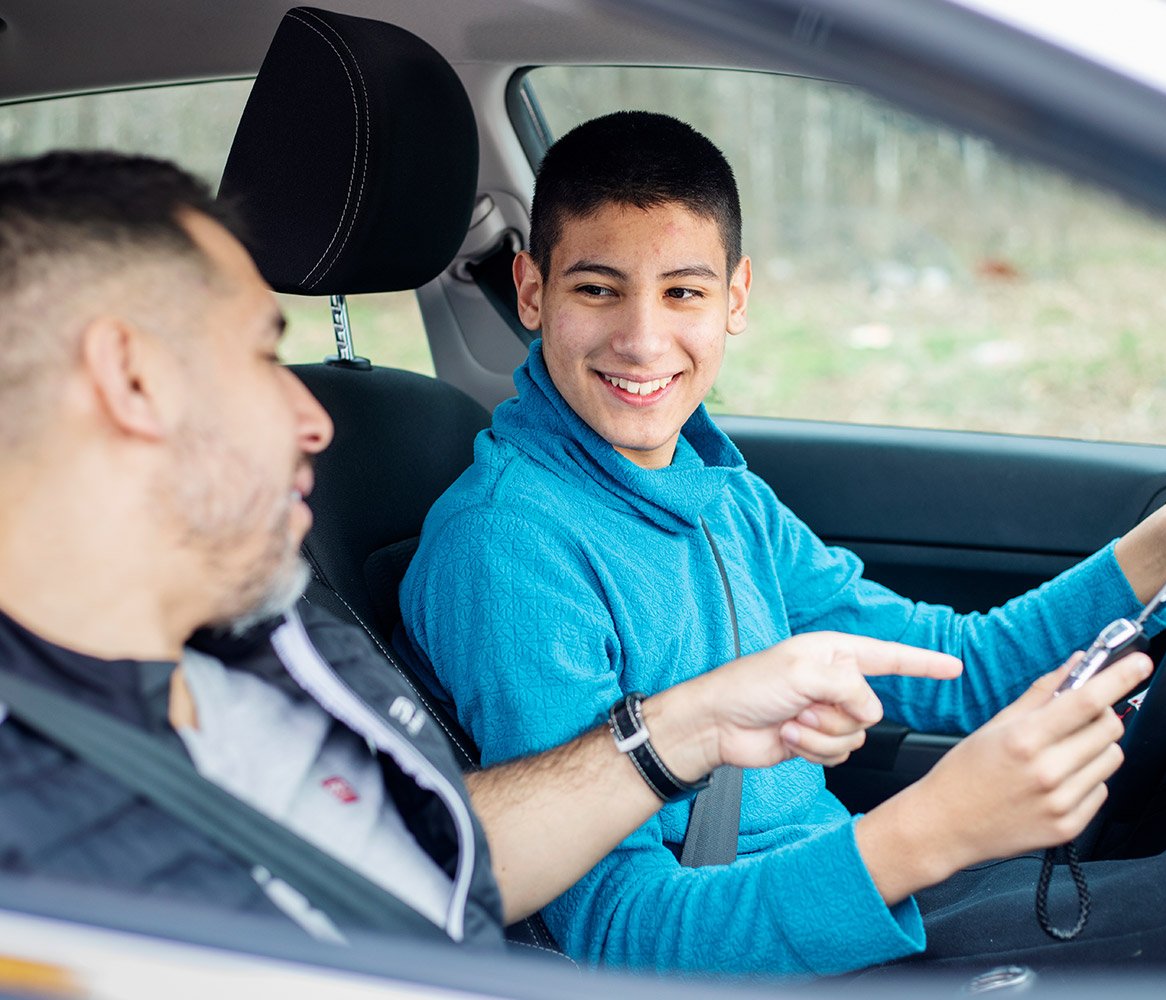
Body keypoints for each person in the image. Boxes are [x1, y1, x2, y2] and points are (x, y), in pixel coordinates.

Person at [399, 111, 1166, 977]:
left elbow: (954, 666)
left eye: (682, 291)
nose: (644, 340)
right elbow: (618, 937)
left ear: (737, 297)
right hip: (787, 951)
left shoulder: (718, 494)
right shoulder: (507, 550)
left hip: (847, 893)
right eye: (598, 289)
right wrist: (931, 829)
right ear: (530, 290)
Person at [0, 149, 971, 947]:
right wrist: (925, 834)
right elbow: (602, 923)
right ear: (130, 380)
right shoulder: (46, 860)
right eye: (261, 355)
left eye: (683, 291)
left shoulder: (274, 647)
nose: (311, 418)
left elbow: (448, 852)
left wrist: (692, 724)